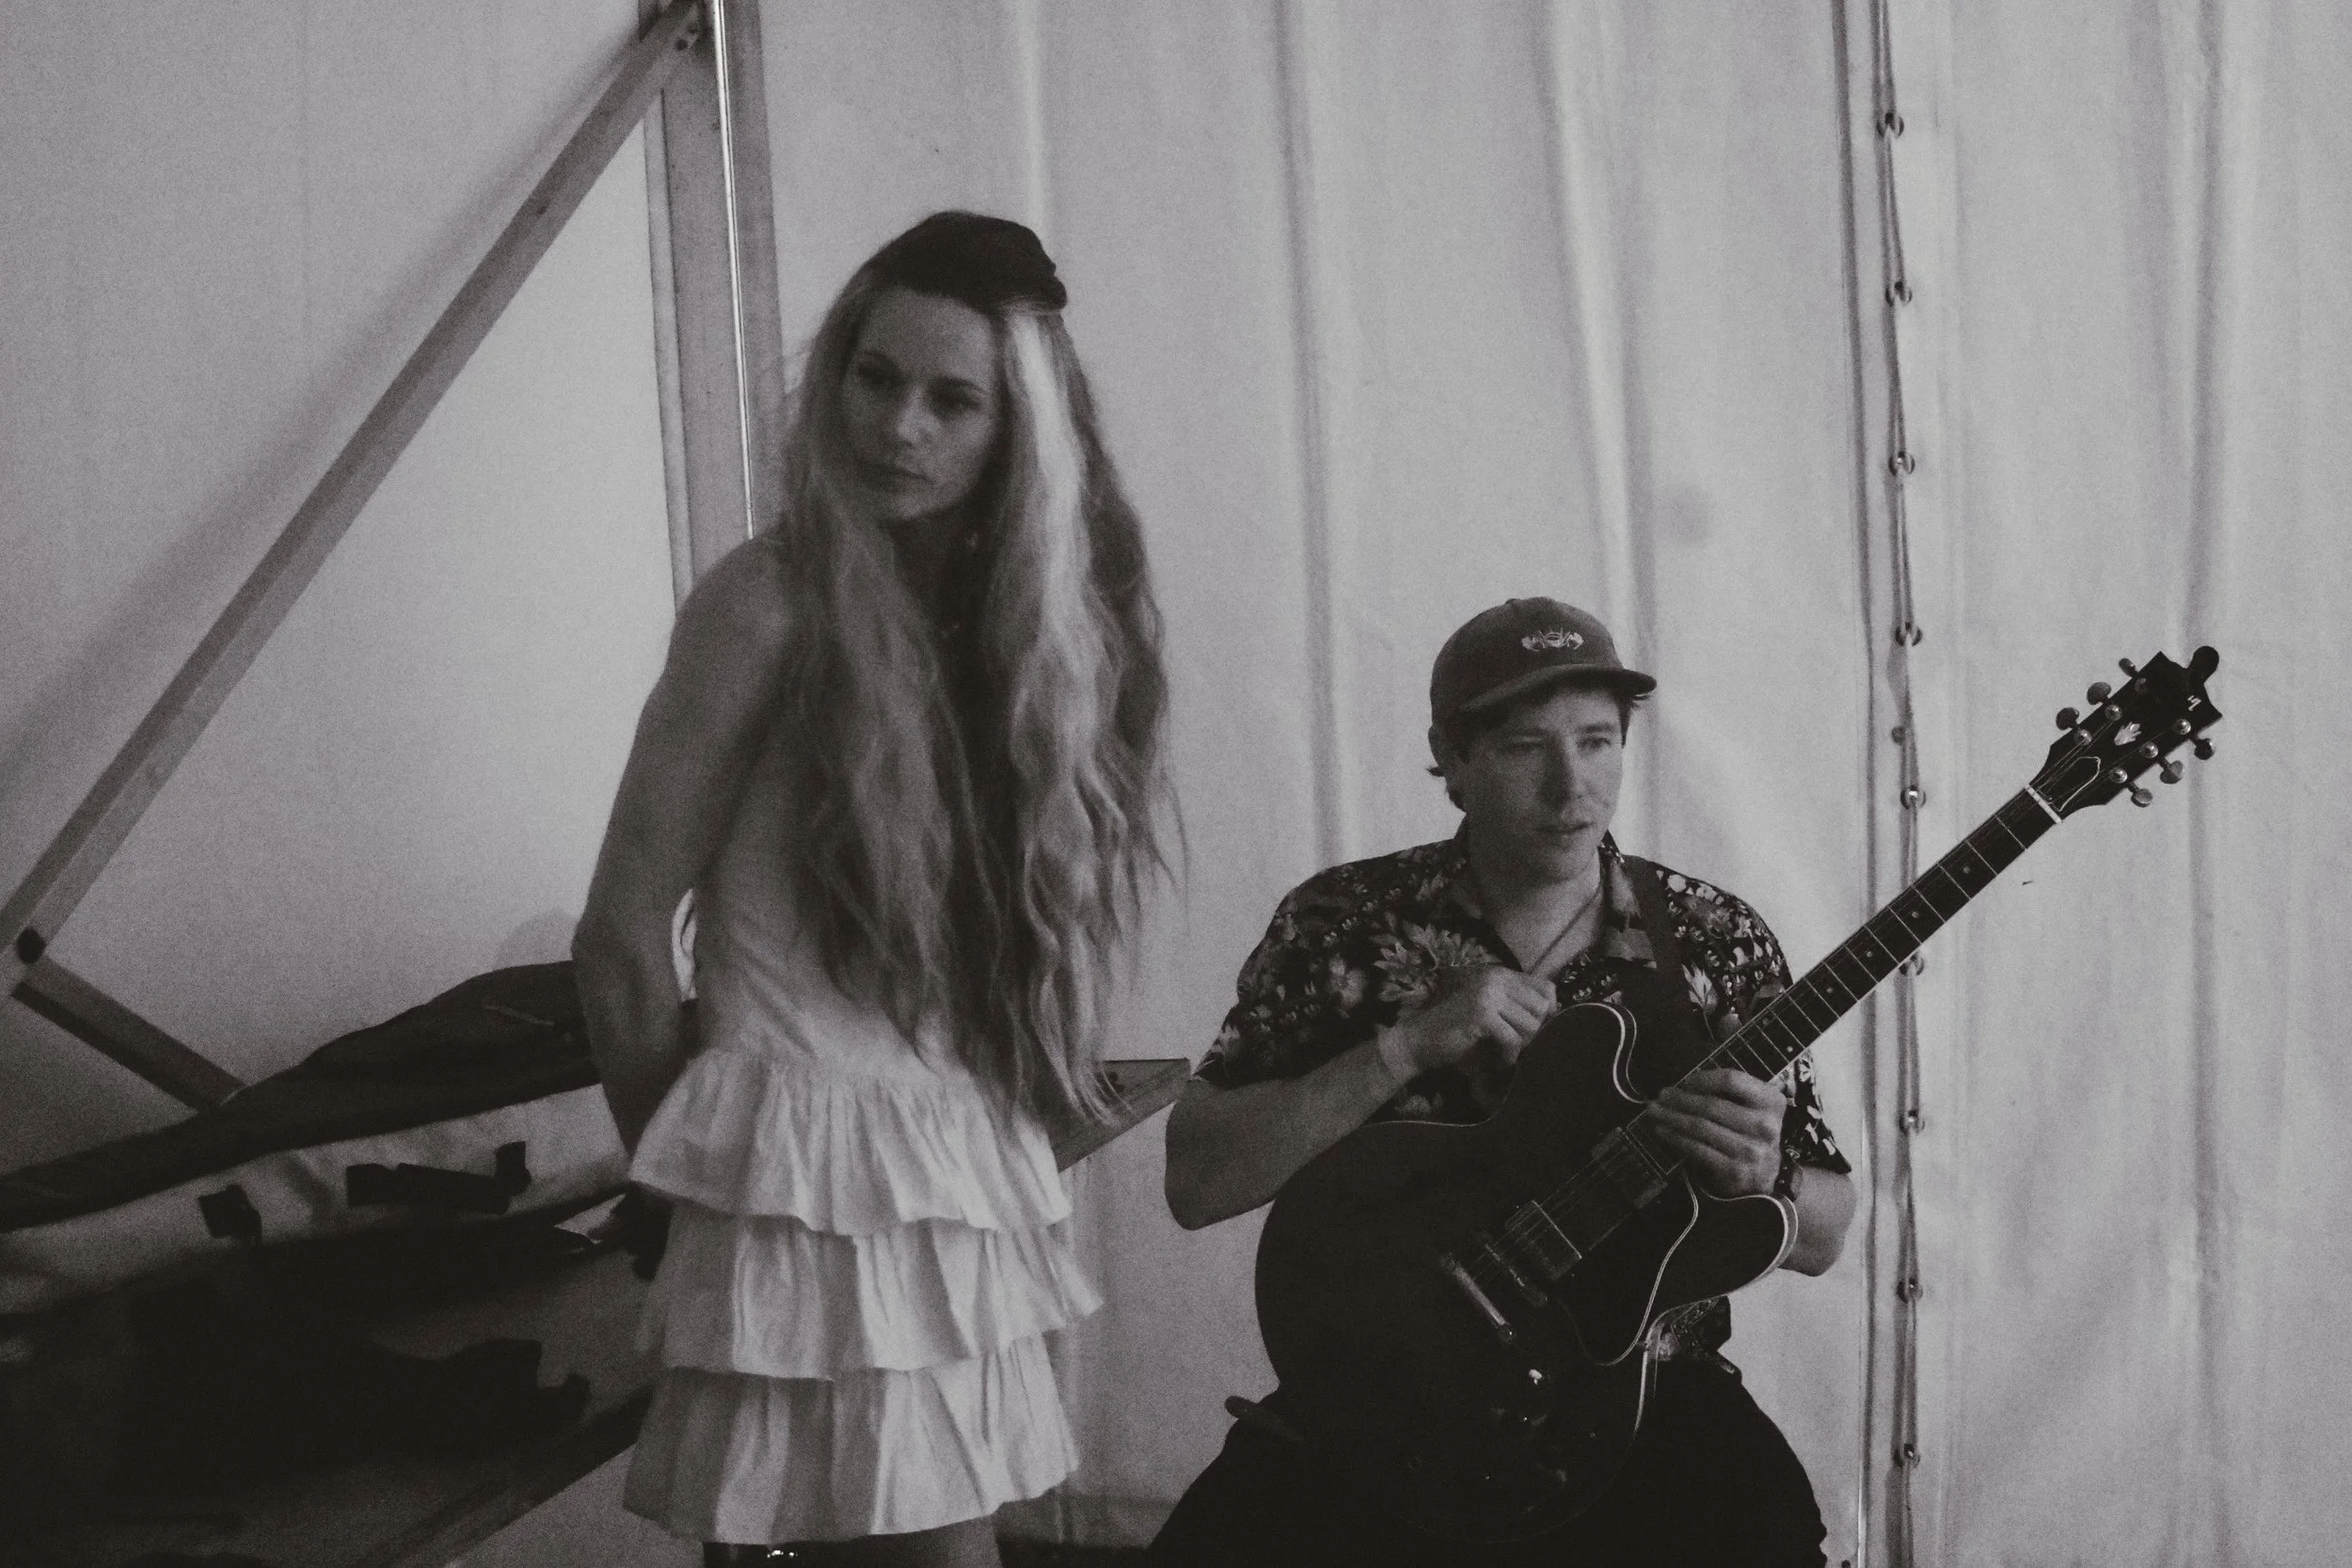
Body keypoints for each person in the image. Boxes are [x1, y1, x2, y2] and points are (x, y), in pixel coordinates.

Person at [572, 211, 1169, 1568]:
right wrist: (695, 1180)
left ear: (1016, 430)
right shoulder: (766, 601)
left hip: (950, 1162)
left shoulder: (1030, 628)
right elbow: (616, 942)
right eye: (873, 376)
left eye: (950, 399)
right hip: (797, 1156)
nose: (897, 424)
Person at [1150, 598, 1856, 1568]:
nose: (1573, 784)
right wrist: (1402, 1047)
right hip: (1393, 1385)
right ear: (1450, 756)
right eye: (1527, 746)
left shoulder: (1709, 935)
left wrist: (1760, 1173)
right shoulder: (1344, 920)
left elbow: (1822, 1232)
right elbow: (1197, 1180)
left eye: (1598, 741)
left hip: (1641, 1389)